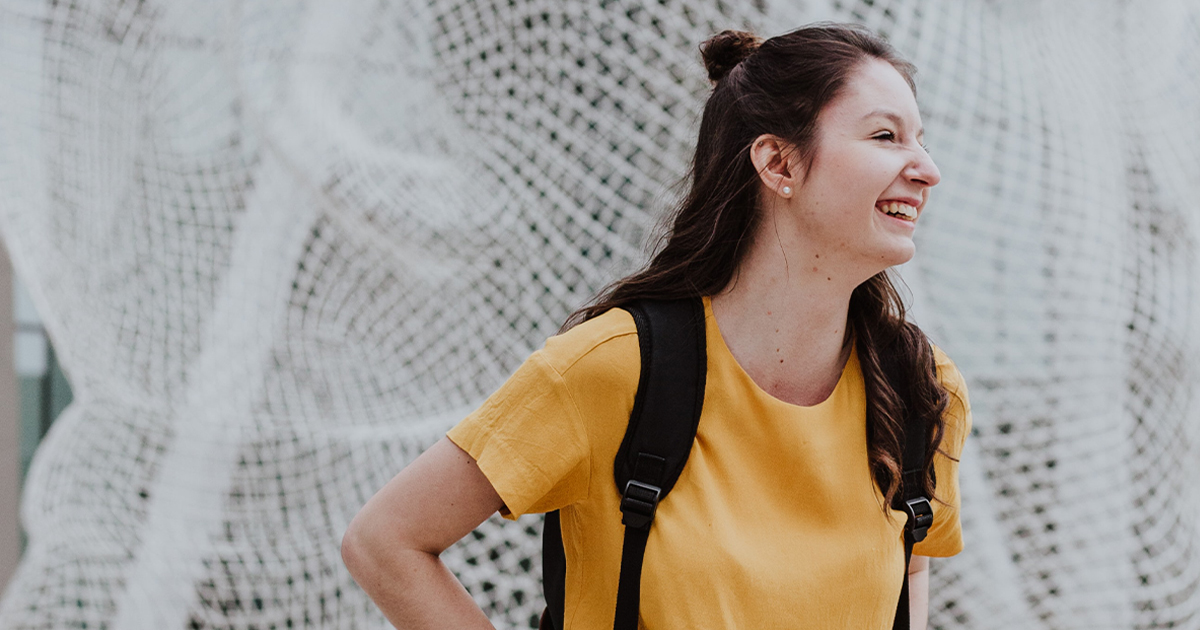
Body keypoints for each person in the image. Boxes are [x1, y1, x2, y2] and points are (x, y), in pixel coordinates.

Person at [341, 22, 971, 630]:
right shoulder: (614, 367)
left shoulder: (923, 387)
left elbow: (910, 569)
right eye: (886, 136)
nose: (926, 169)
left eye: (921, 139)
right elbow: (386, 542)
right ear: (778, 164)